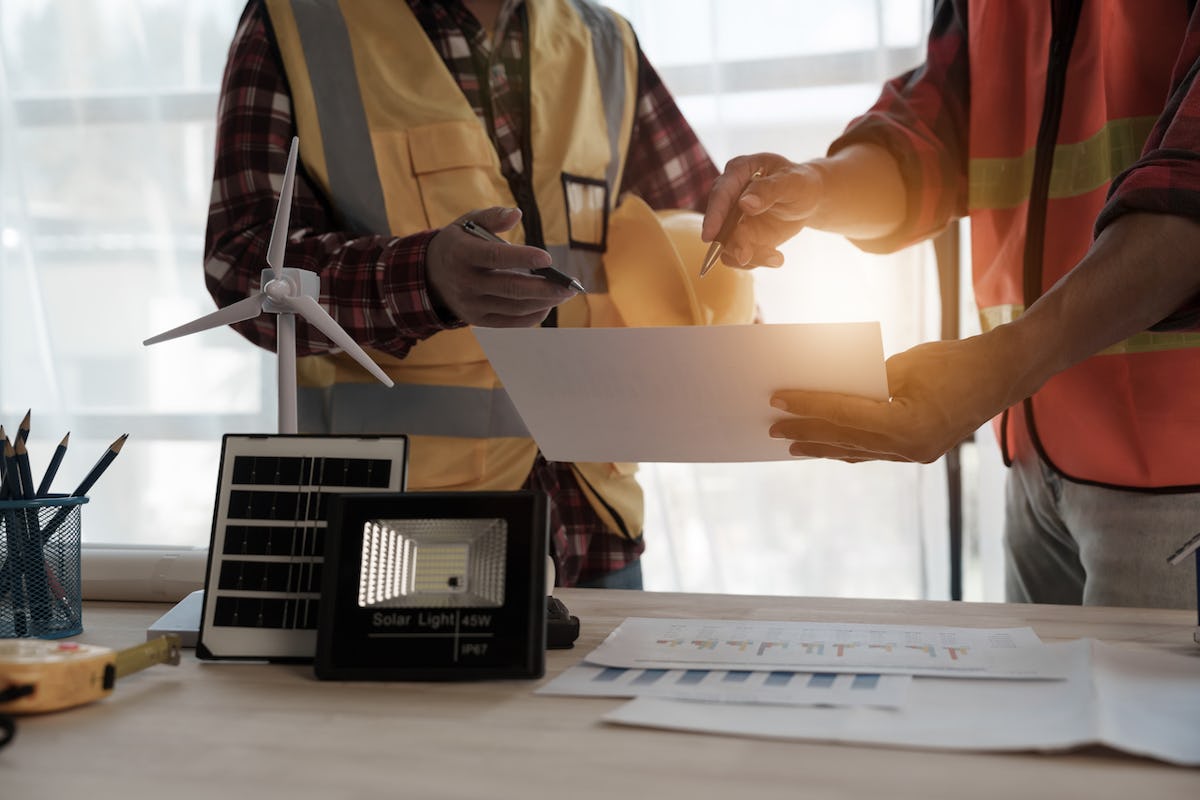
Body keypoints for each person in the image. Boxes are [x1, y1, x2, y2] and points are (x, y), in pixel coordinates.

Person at [204, 0, 753, 589]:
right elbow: (243, 265)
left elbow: (702, 239)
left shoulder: (605, 41)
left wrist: (745, 242)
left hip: (593, 527)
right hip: (400, 530)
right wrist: (424, 280)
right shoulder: (300, 22)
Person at [702, 0, 1200, 609]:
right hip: (1036, 458)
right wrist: (818, 187)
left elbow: (1191, 208)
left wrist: (996, 369)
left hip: (1178, 480)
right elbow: (935, 133)